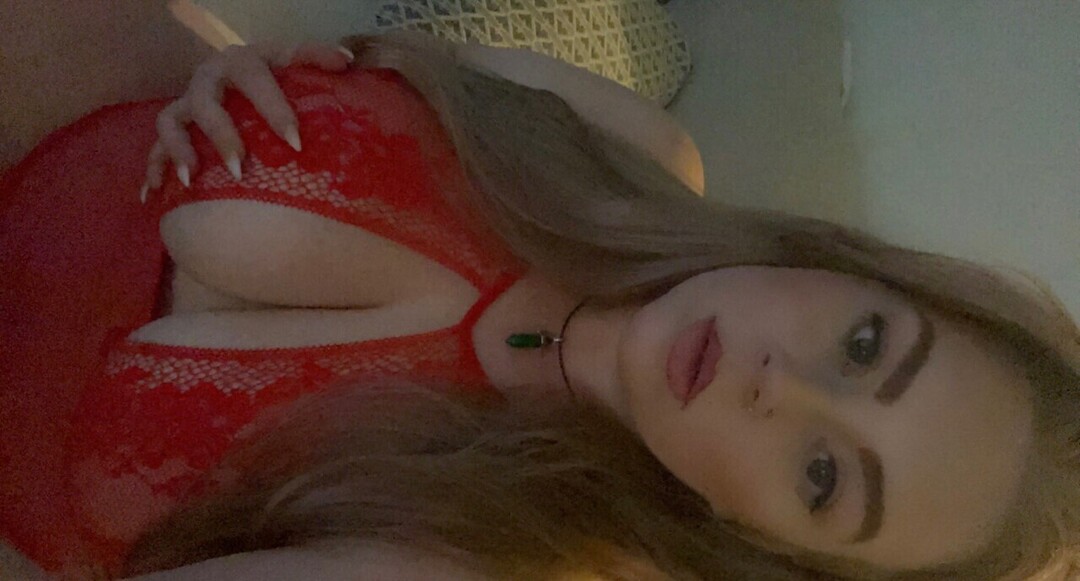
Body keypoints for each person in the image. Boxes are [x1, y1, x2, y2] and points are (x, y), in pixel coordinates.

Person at [1, 31, 1077, 580]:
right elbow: (351, 59)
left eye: (822, 475)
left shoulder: (500, 551)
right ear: (853, 269)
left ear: (765, 543)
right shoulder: (630, 148)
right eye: (864, 343)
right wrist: (236, 68)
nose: (779, 386)